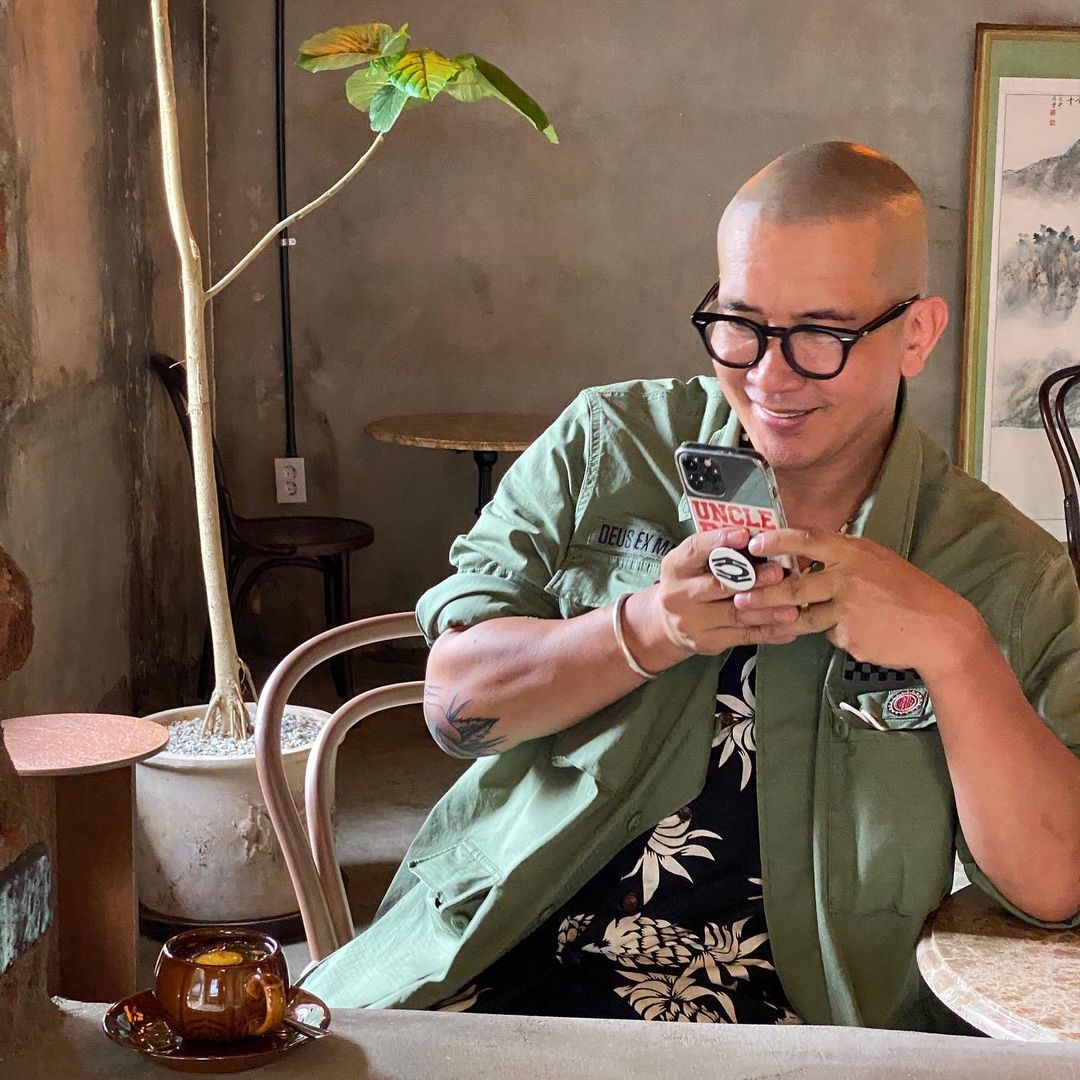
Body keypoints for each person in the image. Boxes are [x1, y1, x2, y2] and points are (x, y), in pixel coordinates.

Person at [302, 142, 1080, 1029]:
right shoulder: (608, 447)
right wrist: (643, 629)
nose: (768, 375)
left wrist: (955, 650)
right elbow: (455, 708)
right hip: (505, 957)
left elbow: (1054, 890)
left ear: (917, 334)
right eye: (739, 323)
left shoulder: (1001, 568)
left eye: (822, 335)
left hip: (800, 1015)